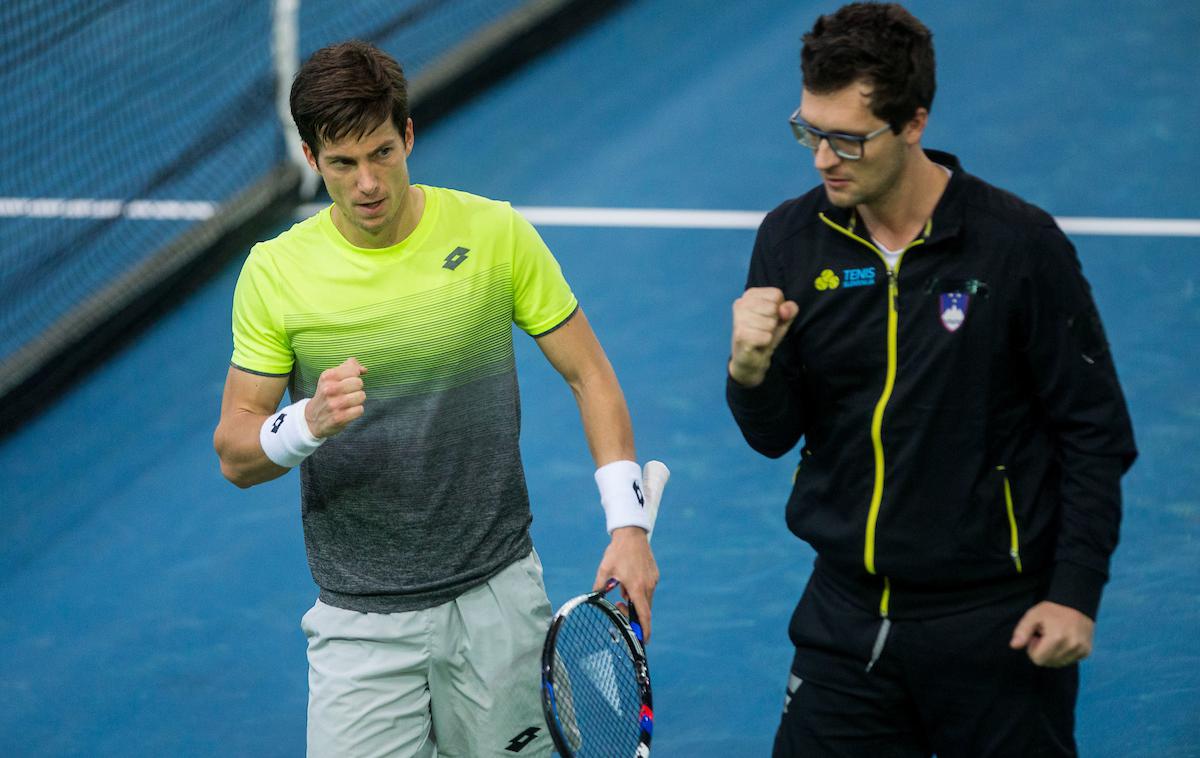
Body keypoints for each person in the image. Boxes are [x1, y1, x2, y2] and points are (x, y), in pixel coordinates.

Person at [212, 40, 657, 757]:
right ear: (309, 158)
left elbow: (590, 375)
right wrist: (303, 423)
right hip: (360, 622)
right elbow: (235, 452)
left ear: (409, 134)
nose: (367, 184)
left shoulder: (494, 234)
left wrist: (628, 527)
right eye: (342, 164)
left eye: (382, 153)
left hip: (498, 603)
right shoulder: (276, 274)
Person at [725, 4, 1136, 756]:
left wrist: (1075, 593)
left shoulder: (1017, 247)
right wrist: (749, 372)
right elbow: (775, 435)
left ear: (913, 123)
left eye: (847, 139)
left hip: (996, 625)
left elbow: (1093, 431)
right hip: (844, 619)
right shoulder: (790, 238)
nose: (822, 159)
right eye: (809, 131)